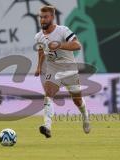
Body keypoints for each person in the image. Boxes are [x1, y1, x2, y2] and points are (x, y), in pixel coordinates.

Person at [34, 5, 90, 138]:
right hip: (53, 69)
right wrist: (39, 67)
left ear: (52, 17)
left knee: (77, 100)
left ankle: (85, 115)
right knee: (48, 95)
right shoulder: (38, 36)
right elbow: (41, 50)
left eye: (45, 17)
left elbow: (77, 45)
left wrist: (60, 45)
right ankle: (47, 126)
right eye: (41, 17)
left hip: (69, 69)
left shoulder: (63, 30)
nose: (42, 20)